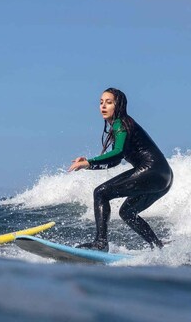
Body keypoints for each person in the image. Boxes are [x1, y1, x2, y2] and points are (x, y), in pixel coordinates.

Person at [68, 88, 173, 251]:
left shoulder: (121, 124)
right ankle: (158, 247)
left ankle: (100, 243)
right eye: (101, 102)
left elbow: (117, 153)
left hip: (151, 170)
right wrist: (89, 165)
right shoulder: (123, 124)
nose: (103, 106)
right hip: (164, 177)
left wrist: (88, 162)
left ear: (119, 105)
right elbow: (116, 161)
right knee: (127, 212)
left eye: (109, 102)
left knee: (100, 193)